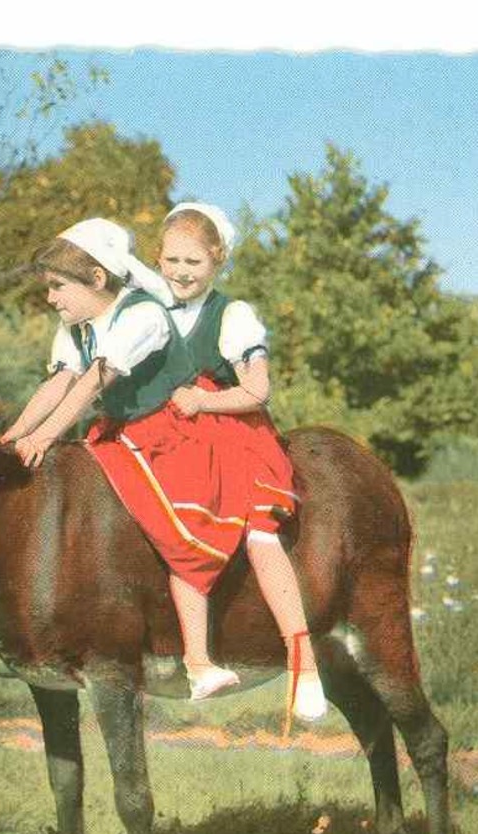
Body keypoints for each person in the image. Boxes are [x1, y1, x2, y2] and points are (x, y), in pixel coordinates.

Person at [0, 217, 244, 699]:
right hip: (119, 434)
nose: (51, 298)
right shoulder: (76, 325)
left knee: (175, 528)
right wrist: (11, 437)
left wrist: (46, 437)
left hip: (174, 432)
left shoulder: (142, 316)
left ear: (96, 279)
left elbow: (94, 382)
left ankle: (198, 658)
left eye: (57, 286)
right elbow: (58, 383)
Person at [159, 202, 325, 720]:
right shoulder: (151, 308)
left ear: (216, 261)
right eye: (172, 260)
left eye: (194, 263)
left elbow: (257, 390)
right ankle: (189, 657)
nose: (182, 272)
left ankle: (302, 660)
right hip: (170, 433)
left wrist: (204, 400)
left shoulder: (232, 315)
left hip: (231, 433)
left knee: (259, 534)